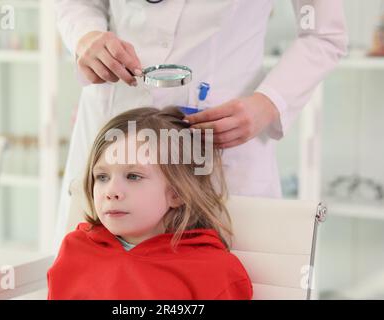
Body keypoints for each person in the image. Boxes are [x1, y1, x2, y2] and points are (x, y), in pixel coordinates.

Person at [53, 0, 348, 251]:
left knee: (221, 277)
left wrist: (269, 103)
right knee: (90, 274)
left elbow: (324, 34)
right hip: (114, 121)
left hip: (221, 139)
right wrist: (86, 35)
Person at [47, 106, 253, 299]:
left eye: (133, 176)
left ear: (177, 192)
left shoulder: (213, 270)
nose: (111, 192)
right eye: (102, 177)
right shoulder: (76, 249)